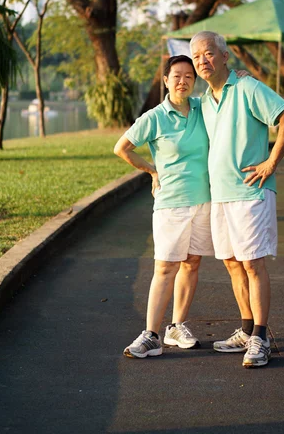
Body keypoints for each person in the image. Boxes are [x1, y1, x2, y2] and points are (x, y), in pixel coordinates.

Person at [190, 31, 284, 368]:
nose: (202, 62)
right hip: (220, 195)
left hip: (250, 192)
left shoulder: (248, 88)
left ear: (225, 56)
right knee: (232, 263)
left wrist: (270, 163)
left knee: (252, 263)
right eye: (196, 58)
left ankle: (261, 338)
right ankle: (247, 329)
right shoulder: (204, 100)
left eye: (208, 54)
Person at [114, 55, 214, 358]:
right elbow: (122, 148)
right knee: (165, 267)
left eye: (188, 76)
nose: (182, 81)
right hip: (171, 203)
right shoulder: (155, 117)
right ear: (166, 81)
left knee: (192, 263)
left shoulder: (203, 107)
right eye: (176, 76)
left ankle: (176, 326)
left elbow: (227, 91)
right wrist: (152, 171)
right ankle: (151, 334)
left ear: (194, 81)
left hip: (204, 201)